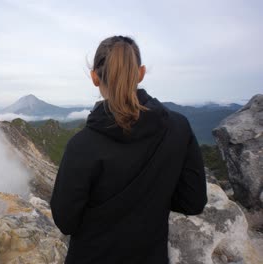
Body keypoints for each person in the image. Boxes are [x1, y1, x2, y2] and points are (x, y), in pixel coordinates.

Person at [49, 35, 208, 264]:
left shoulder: (82, 145)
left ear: (95, 77)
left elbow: (66, 221)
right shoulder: (179, 128)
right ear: (140, 73)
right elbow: (192, 202)